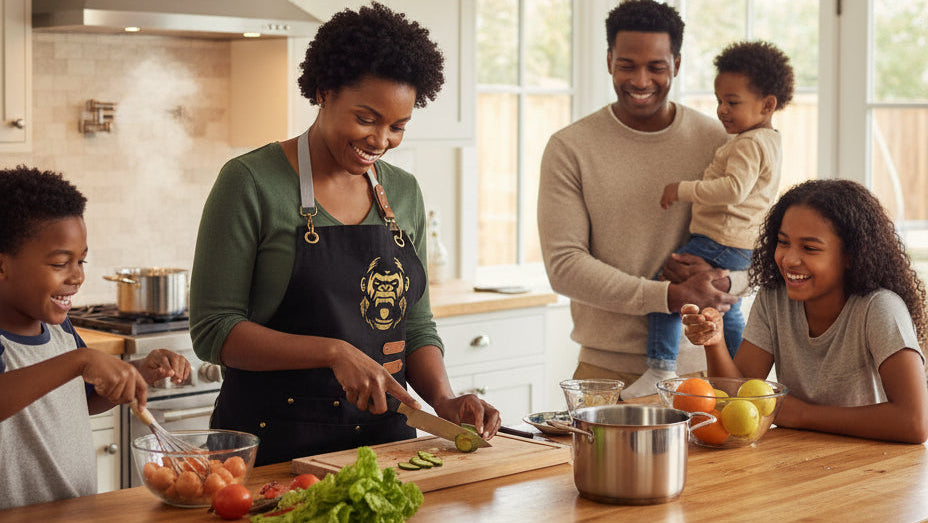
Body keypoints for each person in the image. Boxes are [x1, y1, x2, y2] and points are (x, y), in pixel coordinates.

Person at [190, 2, 501, 466]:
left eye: (398, 126)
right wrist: (335, 352)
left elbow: (414, 325)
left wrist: (444, 401)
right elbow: (215, 332)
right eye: (367, 118)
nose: (380, 140)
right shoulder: (250, 182)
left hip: (385, 448)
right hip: (268, 448)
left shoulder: (402, 192)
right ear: (324, 90)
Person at [538, 0, 744, 395]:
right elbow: (564, 265)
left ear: (677, 65)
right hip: (608, 375)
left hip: (709, 372)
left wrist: (722, 280)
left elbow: (754, 251)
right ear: (609, 60)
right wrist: (669, 295)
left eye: (657, 67)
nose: (641, 80)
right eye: (628, 65)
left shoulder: (718, 143)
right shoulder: (570, 147)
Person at [0, 165, 191, 509]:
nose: (77, 277)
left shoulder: (59, 328)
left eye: (82, 261)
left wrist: (136, 372)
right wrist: (80, 360)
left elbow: (82, 397)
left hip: (77, 511)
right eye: (61, 263)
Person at [682, 179, 928, 444]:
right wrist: (714, 342)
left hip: (869, 470)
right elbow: (738, 399)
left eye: (810, 248)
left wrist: (801, 415)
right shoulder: (773, 299)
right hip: (797, 461)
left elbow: (914, 422)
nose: (788, 259)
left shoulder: (879, 308)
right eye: (783, 242)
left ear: (851, 256)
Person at [623, 41, 795, 400]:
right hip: (741, 245)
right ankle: (739, 381)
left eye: (732, 102)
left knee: (668, 286)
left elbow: (733, 189)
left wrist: (682, 189)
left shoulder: (748, 144)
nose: (721, 111)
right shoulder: (769, 141)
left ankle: (660, 363)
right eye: (719, 100)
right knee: (722, 307)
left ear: (767, 104)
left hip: (719, 238)